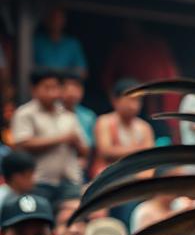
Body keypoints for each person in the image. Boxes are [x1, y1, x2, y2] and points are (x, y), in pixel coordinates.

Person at [9, 69, 87, 203]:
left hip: (69, 180)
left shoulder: (68, 115)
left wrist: (77, 143)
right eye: (47, 88)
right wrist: (61, 139)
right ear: (33, 89)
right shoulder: (25, 114)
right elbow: (21, 144)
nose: (53, 92)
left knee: (71, 220)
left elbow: (84, 150)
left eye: (56, 87)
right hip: (39, 181)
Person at [91, 79, 154, 178]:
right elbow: (105, 152)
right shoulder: (104, 122)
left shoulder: (144, 127)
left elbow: (149, 156)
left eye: (137, 100)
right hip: (109, 174)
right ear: (115, 100)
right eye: (130, 99)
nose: (133, 105)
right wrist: (138, 150)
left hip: (138, 174)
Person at [32, 7, 87, 79]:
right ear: (45, 19)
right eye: (52, 17)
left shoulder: (72, 44)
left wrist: (61, 73)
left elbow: (83, 72)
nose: (55, 21)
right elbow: (27, 67)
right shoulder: (37, 41)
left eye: (58, 17)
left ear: (64, 20)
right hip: (43, 83)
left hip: (65, 85)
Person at [62, 75, 96, 165]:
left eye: (77, 88)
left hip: (81, 165)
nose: (72, 93)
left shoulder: (88, 116)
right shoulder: (54, 113)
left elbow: (90, 149)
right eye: (67, 88)